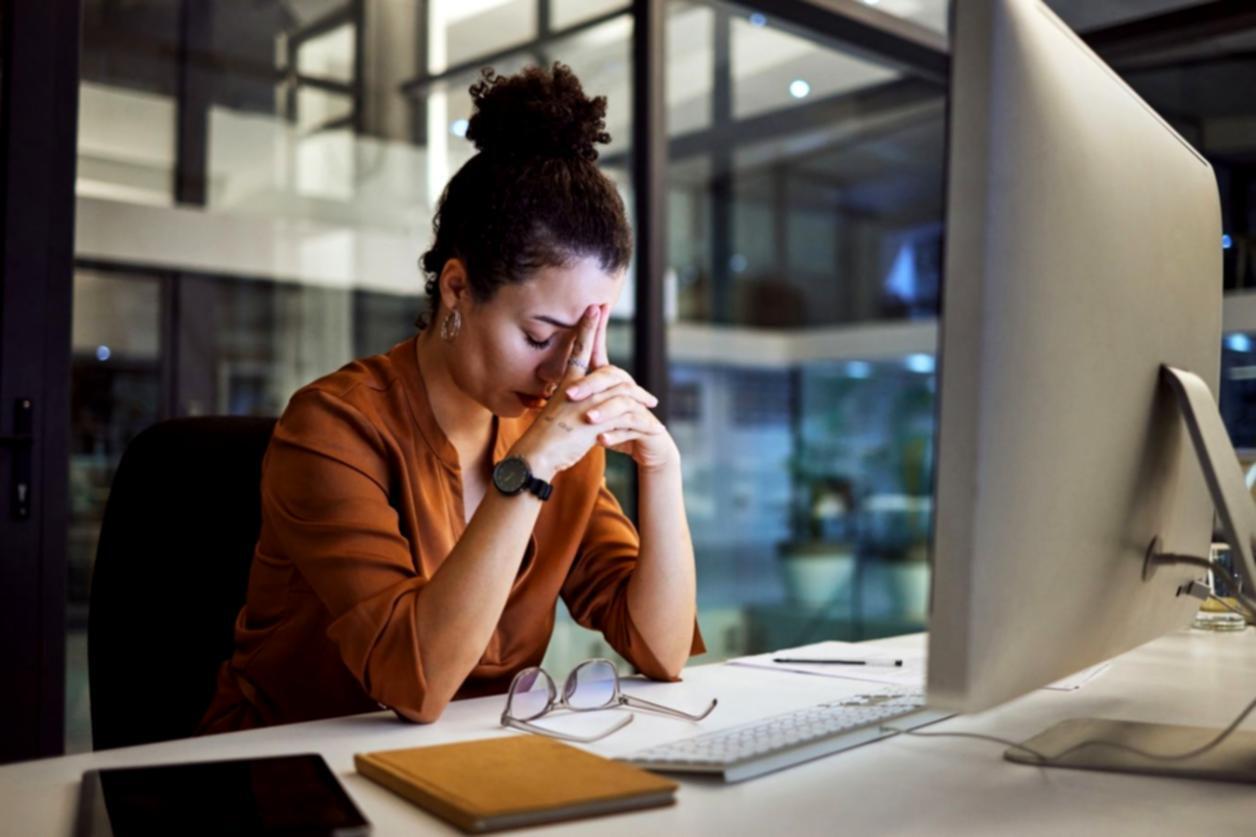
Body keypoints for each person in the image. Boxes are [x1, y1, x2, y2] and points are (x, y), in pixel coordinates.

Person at [197, 63, 704, 732]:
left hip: (461, 769)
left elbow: (662, 650)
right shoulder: (332, 427)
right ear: (458, 289)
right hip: (281, 779)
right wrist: (531, 470)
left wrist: (661, 466)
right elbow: (416, 681)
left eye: (586, 337)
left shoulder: (554, 440)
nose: (563, 373)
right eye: (542, 334)